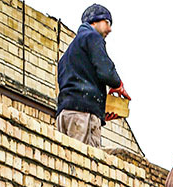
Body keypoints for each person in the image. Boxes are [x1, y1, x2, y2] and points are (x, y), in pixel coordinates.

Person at [56, 4, 130, 148]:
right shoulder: (92, 37)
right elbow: (106, 71)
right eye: (107, 23)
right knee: (84, 163)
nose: (110, 29)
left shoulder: (67, 55)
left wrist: (101, 109)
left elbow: (80, 82)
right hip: (82, 115)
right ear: (94, 21)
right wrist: (118, 85)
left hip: (64, 115)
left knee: (67, 163)